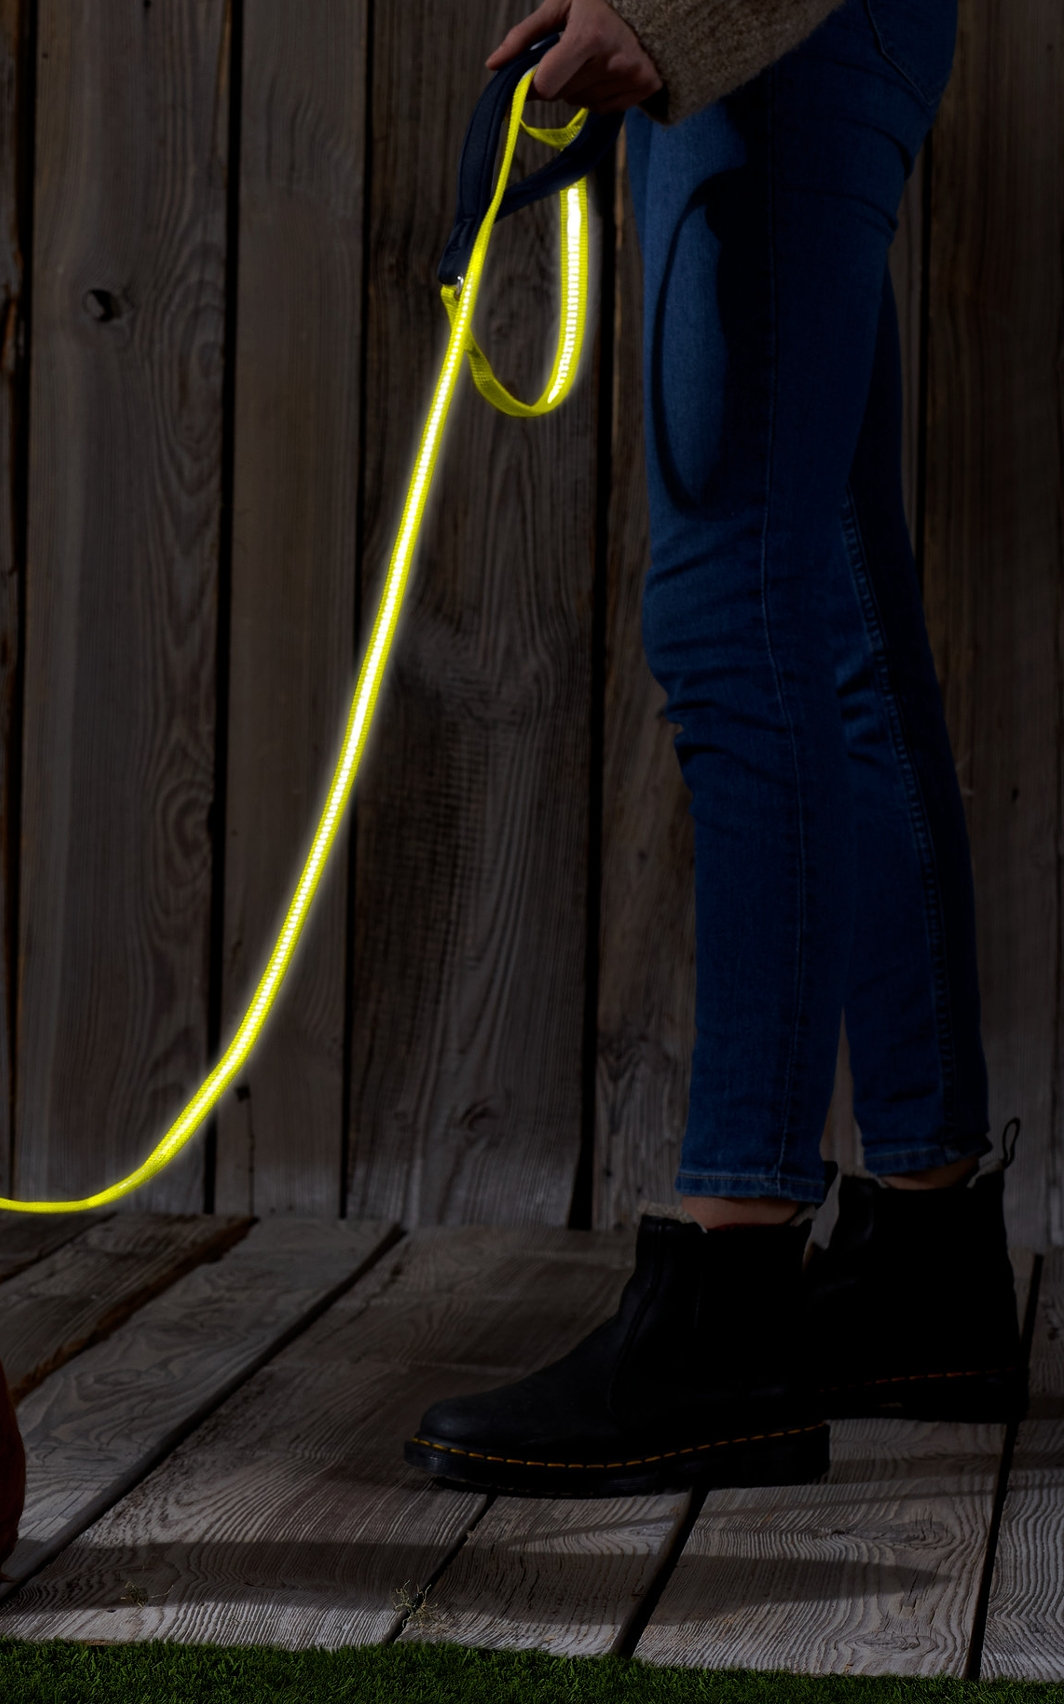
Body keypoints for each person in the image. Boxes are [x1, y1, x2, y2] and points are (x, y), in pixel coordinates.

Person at [405, 0, 1026, 1498]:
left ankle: (727, 1305)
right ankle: (926, 1261)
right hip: (816, 41)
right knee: (839, 614)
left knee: (731, 610)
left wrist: (669, 11)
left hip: (777, 50)